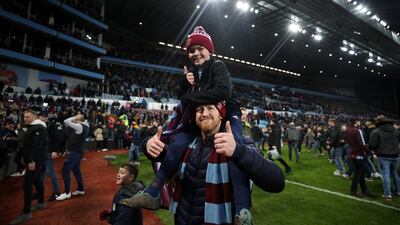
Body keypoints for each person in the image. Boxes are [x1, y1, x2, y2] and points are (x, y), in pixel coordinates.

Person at [123, 26, 252, 219]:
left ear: (210, 50)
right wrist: (185, 83)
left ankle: (243, 211)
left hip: (228, 113)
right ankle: (154, 191)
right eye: (191, 50)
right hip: (201, 116)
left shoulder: (218, 66)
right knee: (177, 143)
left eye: (200, 48)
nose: (196, 53)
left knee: (237, 148)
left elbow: (223, 92)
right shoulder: (191, 72)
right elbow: (181, 96)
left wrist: (192, 98)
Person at [122, 102, 285, 224]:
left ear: (221, 114)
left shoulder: (239, 143)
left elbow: (277, 182)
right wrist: (147, 145)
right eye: (199, 109)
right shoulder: (185, 144)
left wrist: (238, 151)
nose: (204, 113)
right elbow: (161, 155)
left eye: (210, 108)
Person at [10, 110, 49, 225]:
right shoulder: (36, 127)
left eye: (27, 117)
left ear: (34, 117)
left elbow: (37, 147)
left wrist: (32, 161)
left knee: (27, 185)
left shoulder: (37, 128)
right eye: (24, 116)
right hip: (37, 161)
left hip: (35, 162)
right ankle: (41, 202)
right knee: (37, 182)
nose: (24, 118)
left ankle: (26, 212)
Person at [56, 113, 89, 201]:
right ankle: (80, 189)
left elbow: (66, 121)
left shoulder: (79, 126)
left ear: (79, 119)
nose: (74, 120)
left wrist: (75, 117)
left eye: (76, 119)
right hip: (78, 152)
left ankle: (67, 193)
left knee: (65, 170)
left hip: (75, 152)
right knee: (76, 170)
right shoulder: (85, 126)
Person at [368, 115, 400, 200]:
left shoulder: (376, 131)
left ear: (378, 122)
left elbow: (372, 145)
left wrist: (374, 150)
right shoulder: (395, 130)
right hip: (395, 155)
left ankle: (388, 194)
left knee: (385, 174)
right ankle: (398, 191)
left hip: (383, 155)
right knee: (395, 173)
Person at [345, 118, 370, 197]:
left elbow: (347, 140)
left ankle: (364, 190)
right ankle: (354, 190)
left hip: (352, 153)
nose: (360, 123)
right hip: (358, 153)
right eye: (359, 121)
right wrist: (369, 152)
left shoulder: (348, 129)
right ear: (356, 122)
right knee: (359, 173)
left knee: (361, 172)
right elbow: (362, 143)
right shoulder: (357, 130)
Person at [38, 113, 61, 201]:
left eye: (43, 116)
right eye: (40, 117)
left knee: (50, 172)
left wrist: (55, 150)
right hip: (41, 153)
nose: (41, 118)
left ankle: (57, 192)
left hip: (48, 152)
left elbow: (56, 139)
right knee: (41, 173)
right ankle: (39, 191)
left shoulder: (51, 126)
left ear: (46, 117)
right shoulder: (39, 126)